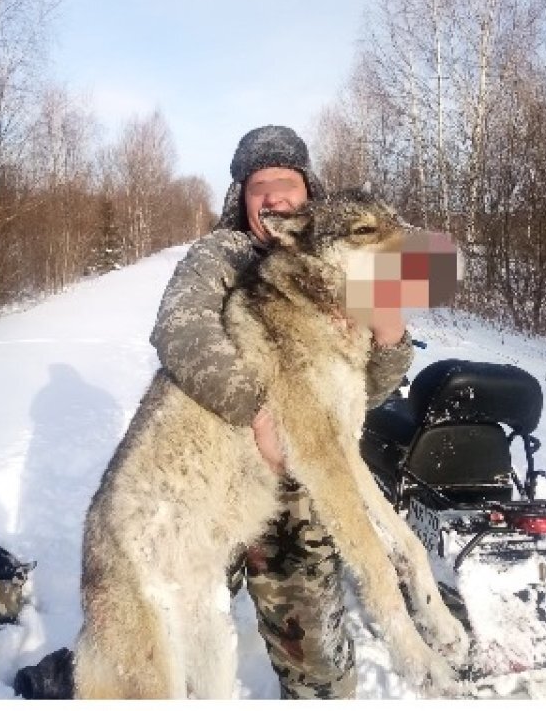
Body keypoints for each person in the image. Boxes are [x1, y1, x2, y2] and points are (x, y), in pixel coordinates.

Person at [150, 125, 413, 699]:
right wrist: (257, 413)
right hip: (216, 473)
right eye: (257, 185)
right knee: (176, 633)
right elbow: (178, 332)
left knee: (318, 667)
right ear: (241, 200)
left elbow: (365, 395)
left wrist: (393, 337)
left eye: (284, 181)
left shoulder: (357, 260)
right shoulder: (219, 255)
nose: (272, 195)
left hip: (302, 485)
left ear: (308, 190)